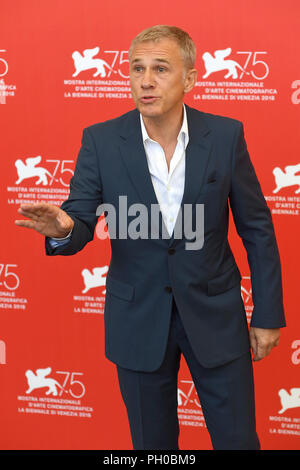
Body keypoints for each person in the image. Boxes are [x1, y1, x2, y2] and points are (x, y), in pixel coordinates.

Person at [15, 25, 285, 450]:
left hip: (216, 317)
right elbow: (80, 218)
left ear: (190, 79)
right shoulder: (101, 140)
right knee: (152, 447)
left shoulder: (226, 135)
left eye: (160, 68)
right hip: (137, 320)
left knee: (238, 441)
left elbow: (257, 229)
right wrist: (65, 228)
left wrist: (268, 314)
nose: (145, 80)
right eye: (136, 68)